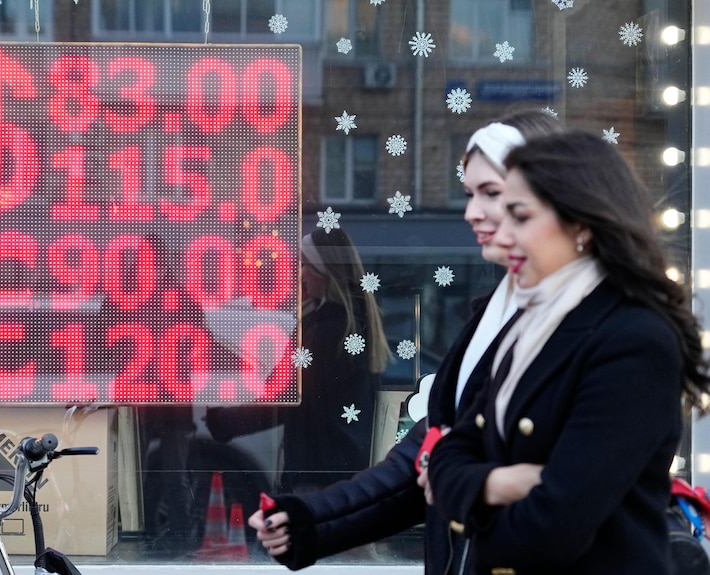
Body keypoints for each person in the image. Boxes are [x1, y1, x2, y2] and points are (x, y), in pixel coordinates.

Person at [246, 109, 562, 572]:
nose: (471, 212)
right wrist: (309, 522)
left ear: (551, 192)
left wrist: (459, 479)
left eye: (490, 193)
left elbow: (584, 489)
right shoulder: (492, 316)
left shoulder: (607, 323)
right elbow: (418, 461)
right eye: (470, 193)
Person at [427, 130, 710, 575]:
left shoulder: (633, 338)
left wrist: (472, 504)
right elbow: (448, 452)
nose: (503, 236)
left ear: (580, 225)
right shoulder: (534, 320)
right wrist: (499, 482)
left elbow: (554, 525)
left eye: (519, 217)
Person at [205, 226, 392, 493]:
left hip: (317, 474)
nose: (298, 273)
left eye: (304, 264)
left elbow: (286, 399)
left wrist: (222, 422)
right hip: (345, 468)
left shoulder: (324, 332)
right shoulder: (354, 323)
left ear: (322, 270)